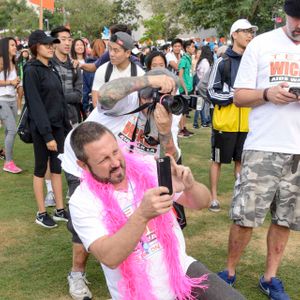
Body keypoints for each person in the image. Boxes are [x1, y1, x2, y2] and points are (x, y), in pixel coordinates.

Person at [69, 121, 247, 300]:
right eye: (104, 159)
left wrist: (189, 186)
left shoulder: (147, 167)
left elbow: (203, 202)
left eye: (115, 151)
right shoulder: (82, 201)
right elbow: (110, 257)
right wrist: (142, 214)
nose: (115, 162)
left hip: (182, 271)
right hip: (138, 293)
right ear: (83, 165)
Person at [60, 69, 184, 300]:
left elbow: (170, 158)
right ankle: (77, 273)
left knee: (133, 214)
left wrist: (165, 131)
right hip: (88, 164)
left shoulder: (166, 114)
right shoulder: (125, 100)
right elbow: (106, 94)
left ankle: (145, 262)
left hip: (125, 166)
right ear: (145, 94)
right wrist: (150, 80)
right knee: (92, 219)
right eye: (159, 94)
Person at [218, 1, 300, 299]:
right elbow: (239, 96)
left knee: (285, 219)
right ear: (285, 15)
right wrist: (267, 94)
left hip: (298, 151)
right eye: (295, 18)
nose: (298, 24)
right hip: (263, 145)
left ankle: (270, 277)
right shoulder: (261, 44)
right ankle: (228, 272)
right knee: (245, 217)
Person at [207, 19, 257, 212]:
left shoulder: (253, 60)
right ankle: (213, 197)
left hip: (247, 122)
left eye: (251, 32)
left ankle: (239, 198)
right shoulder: (222, 61)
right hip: (224, 123)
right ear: (234, 34)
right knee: (217, 160)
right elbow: (211, 91)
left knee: (241, 161)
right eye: (245, 31)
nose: (249, 35)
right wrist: (235, 96)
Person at [23, 30, 71, 228]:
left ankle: (60, 209)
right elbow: (35, 105)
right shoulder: (31, 70)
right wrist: (47, 134)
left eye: (52, 44)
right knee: (41, 169)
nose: (51, 47)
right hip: (43, 129)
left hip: (58, 126)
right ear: (36, 47)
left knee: (57, 167)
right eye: (46, 44)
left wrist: (66, 127)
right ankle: (41, 213)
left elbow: (59, 100)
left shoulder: (51, 67)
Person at [91, 31, 144, 108]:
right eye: (110, 49)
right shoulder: (102, 71)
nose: (111, 54)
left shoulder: (139, 74)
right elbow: (96, 102)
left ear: (128, 53)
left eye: (116, 50)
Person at [0, 37, 22, 174]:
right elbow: (6, 81)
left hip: (12, 99)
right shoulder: (2, 61)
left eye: (15, 44)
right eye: (12, 45)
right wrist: (11, 82)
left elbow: (13, 81)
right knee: (13, 130)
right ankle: (8, 163)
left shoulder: (14, 61)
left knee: (9, 131)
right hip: (1, 99)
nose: (15, 47)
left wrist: (17, 83)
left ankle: (5, 154)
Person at [178, 39, 196, 138]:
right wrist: (184, 89)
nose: (194, 48)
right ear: (187, 48)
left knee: (185, 111)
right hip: (183, 89)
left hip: (189, 88)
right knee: (182, 111)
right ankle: (181, 130)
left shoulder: (189, 58)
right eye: (192, 46)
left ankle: (184, 128)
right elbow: (180, 76)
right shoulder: (184, 59)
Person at [193, 45, 213, 129]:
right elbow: (206, 75)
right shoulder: (206, 62)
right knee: (201, 105)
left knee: (200, 105)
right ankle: (199, 122)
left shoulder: (201, 61)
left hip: (199, 85)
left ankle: (202, 121)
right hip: (203, 85)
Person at [16, 48, 30, 115]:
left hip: (28, 80)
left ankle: (27, 110)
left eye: (26, 53)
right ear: (21, 53)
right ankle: (19, 109)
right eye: (24, 52)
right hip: (21, 80)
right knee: (20, 95)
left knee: (28, 96)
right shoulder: (18, 61)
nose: (25, 54)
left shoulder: (29, 62)